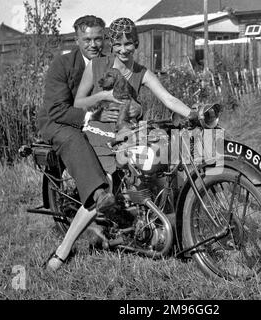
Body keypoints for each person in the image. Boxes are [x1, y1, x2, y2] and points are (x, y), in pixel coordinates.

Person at [37, 15, 142, 272]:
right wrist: (92, 115)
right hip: (60, 122)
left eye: (98, 38)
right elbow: (57, 109)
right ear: (77, 40)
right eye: (87, 40)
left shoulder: (107, 63)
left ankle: (136, 211)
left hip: (96, 120)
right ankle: (98, 195)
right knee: (76, 142)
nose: (93, 44)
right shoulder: (62, 64)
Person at [74, 17, 194, 172]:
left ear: (136, 44)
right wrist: (102, 97)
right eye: (118, 44)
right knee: (107, 180)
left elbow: (169, 99)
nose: (123, 50)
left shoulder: (142, 72)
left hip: (128, 133)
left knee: (156, 166)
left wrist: (194, 114)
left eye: (128, 44)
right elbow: (78, 103)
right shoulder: (96, 65)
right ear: (111, 44)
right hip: (98, 133)